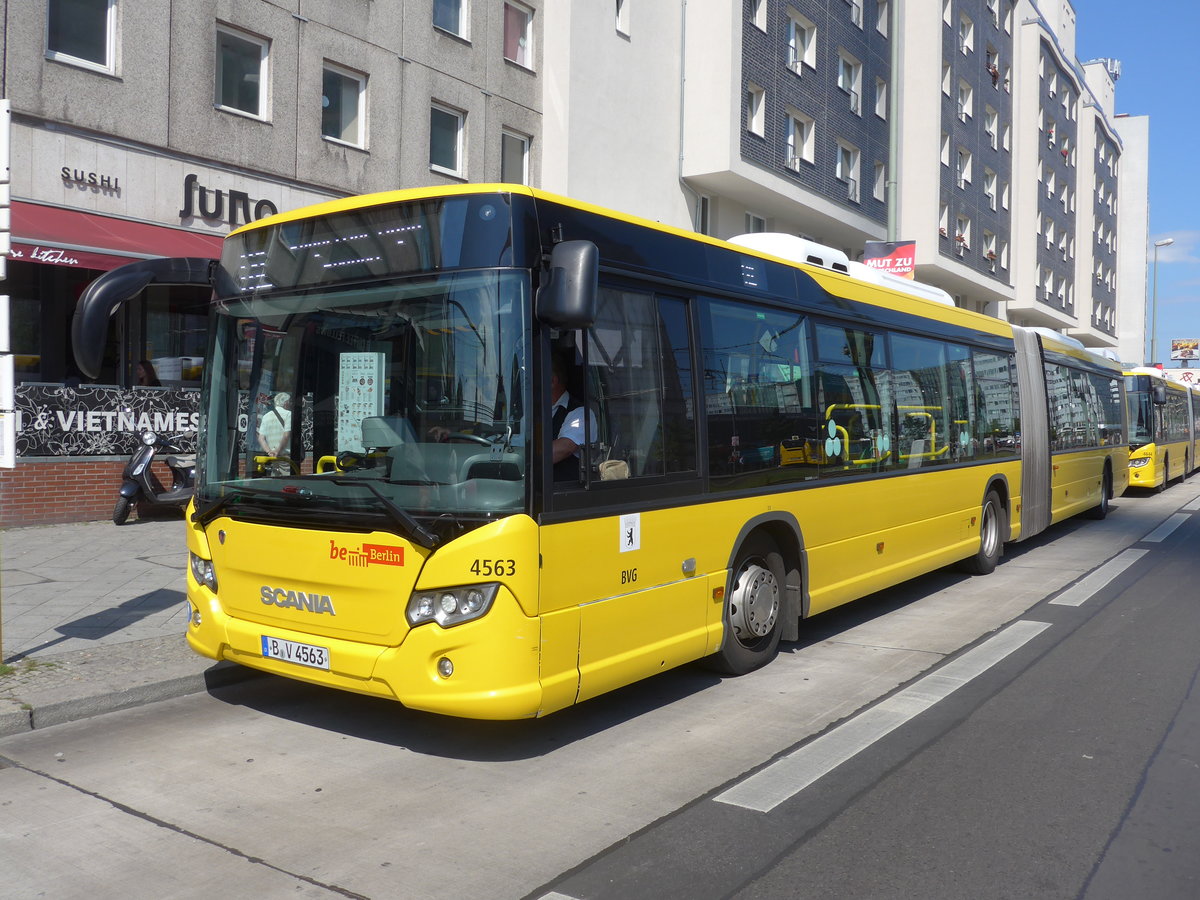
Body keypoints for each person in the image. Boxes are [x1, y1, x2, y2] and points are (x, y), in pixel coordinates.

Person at [551, 355, 598, 481]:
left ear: (552, 381)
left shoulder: (581, 414)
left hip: (562, 495)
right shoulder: (528, 415)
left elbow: (564, 448)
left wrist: (522, 458)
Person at [258, 391, 293, 457]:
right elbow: (286, 435)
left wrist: (269, 452)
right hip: (285, 455)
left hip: (272, 456)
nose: (291, 404)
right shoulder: (288, 414)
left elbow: (261, 438)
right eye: (290, 402)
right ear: (286, 403)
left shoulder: (266, 416)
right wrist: (277, 451)